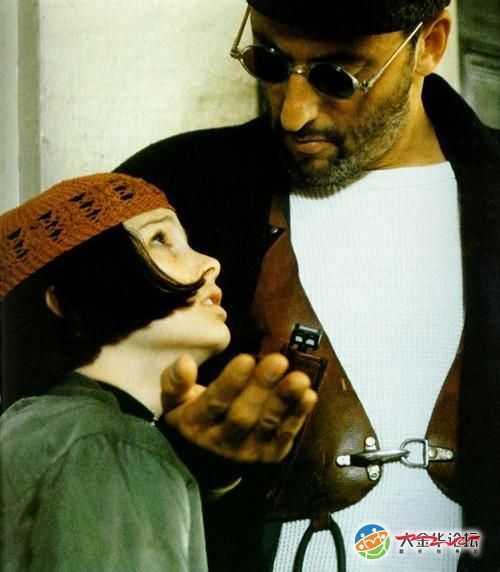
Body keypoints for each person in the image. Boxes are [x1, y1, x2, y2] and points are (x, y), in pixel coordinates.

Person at [116, 1, 500, 570]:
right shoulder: (170, 193)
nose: (294, 114)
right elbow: (64, 431)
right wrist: (187, 467)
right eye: (270, 62)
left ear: (431, 44)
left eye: (337, 76)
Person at [0, 173, 318, 571]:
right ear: (64, 297)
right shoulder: (107, 445)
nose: (211, 264)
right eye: (159, 239)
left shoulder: (43, 425)